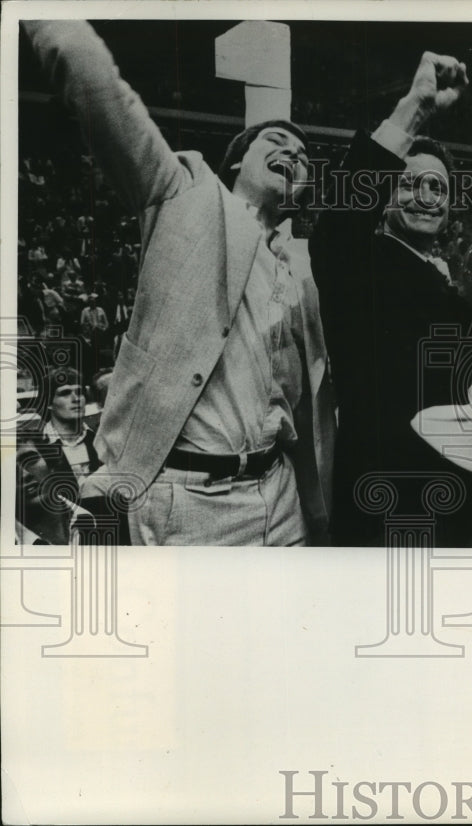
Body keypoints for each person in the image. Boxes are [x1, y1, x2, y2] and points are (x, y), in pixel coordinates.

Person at [25, 20, 334, 546]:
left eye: (305, 157)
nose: (295, 155)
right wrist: (49, 19)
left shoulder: (300, 268)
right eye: (277, 141)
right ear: (237, 159)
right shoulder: (182, 197)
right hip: (187, 502)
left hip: (281, 496)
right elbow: (103, 95)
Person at [308, 50, 472, 547]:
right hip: (382, 503)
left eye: (438, 186)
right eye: (409, 183)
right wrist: (414, 109)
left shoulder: (457, 292)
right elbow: (337, 226)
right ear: (381, 197)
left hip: (454, 499)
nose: (427, 195)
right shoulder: (361, 264)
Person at [38, 366, 102, 501]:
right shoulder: (38, 447)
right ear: (49, 403)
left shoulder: (100, 440)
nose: (76, 399)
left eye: (79, 392)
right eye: (65, 393)